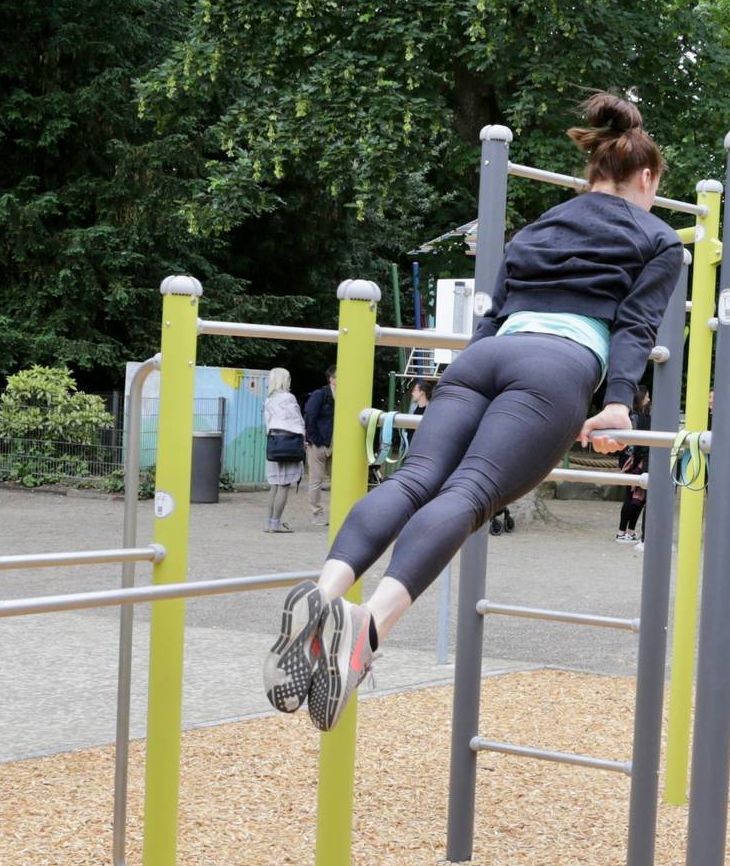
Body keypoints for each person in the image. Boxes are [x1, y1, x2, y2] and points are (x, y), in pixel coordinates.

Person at [263, 93, 679, 728]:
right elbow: (635, 326)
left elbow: (491, 316)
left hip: (484, 357)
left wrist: (454, 382)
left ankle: (322, 595)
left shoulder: (537, 229)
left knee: (412, 481)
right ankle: (364, 633)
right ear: (646, 178)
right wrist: (619, 404)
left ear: (589, 173)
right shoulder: (658, 238)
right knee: (470, 494)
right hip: (559, 364)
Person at [262, 367, 308, 533]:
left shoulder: (268, 399)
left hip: (274, 444)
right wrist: (304, 438)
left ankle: (268, 523)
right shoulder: (288, 398)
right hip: (288, 444)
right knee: (284, 485)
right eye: (288, 378)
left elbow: (268, 423)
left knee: (274, 485)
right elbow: (296, 421)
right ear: (284, 380)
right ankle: (276, 523)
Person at [616, 387, 651, 543]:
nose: (649, 400)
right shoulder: (636, 418)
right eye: (647, 397)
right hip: (635, 461)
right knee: (634, 497)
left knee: (636, 497)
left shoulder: (637, 416)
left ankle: (627, 531)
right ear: (641, 398)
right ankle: (624, 531)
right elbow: (631, 443)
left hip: (633, 460)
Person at [301, 368, 335, 524]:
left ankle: (337, 511)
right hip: (319, 444)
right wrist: (316, 441)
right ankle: (317, 513)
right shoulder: (320, 395)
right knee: (316, 480)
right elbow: (310, 418)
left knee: (338, 479)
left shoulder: (344, 395)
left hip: (335, 444)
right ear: (332, 379)